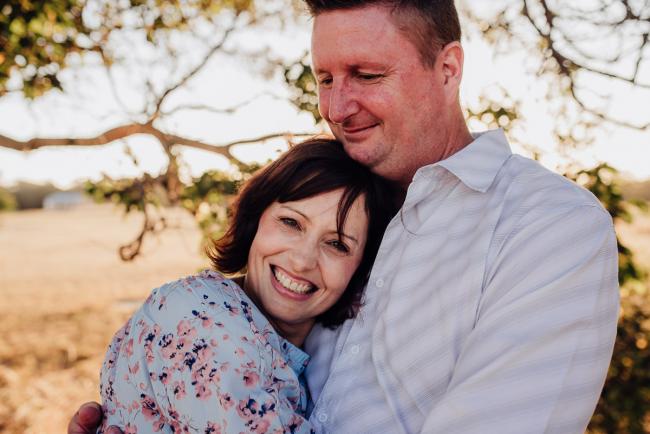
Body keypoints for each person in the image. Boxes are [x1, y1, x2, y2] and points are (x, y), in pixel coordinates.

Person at [70, 1, 620, 433]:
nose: (336, 108)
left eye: (366, 74)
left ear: (448, 68)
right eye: (326, 78)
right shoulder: (335, 204)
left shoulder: (547, 226)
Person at [93, 138, 397, 433]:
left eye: (336, 244)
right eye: (291, 223)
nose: (303, 260)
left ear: (361, 270)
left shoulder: (321, 357)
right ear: (256, 219)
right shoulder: (195, 313)